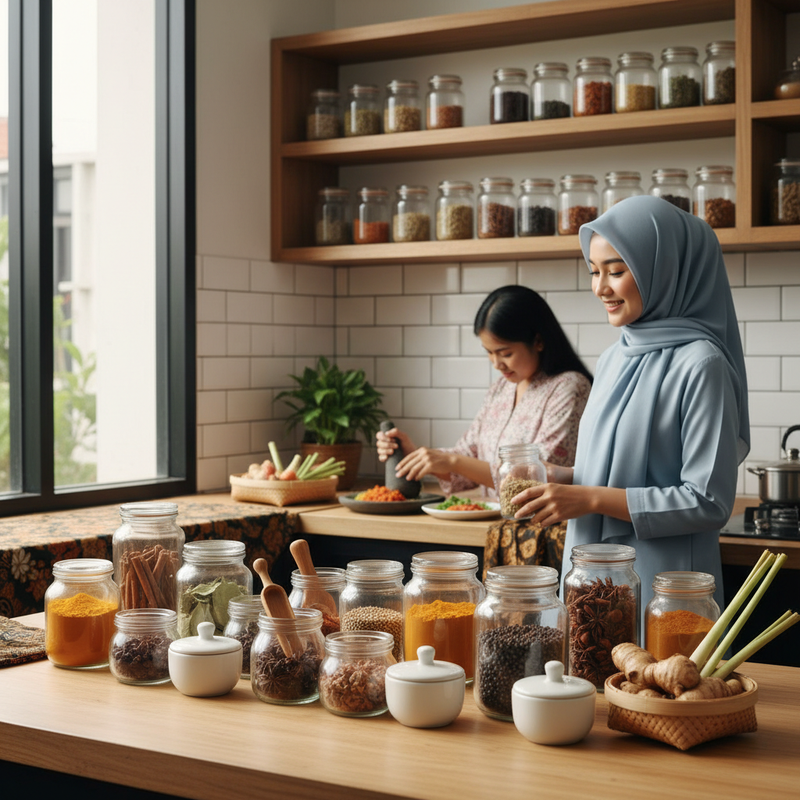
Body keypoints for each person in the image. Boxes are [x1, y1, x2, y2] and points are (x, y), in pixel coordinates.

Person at [510, 195, 750, 610]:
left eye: (616, 272)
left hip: (665, 590)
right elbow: (623, 468)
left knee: (656, 676)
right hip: (592, 579)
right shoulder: (615, 357)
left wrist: (589, 498)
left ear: (665, 270)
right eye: (594, 271)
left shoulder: (702, 364)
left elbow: (708, 502)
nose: (601, 288)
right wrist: (565, 477)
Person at [376, 285, 593, 498]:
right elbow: (470, 454)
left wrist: (452, 461)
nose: (496, 363)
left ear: (538, 341)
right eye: (489, 352)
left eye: (505, 353)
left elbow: (540, 475)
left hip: (544, 526)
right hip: (497, 523)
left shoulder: (570, 387)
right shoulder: (502, 388)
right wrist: (417, 456)